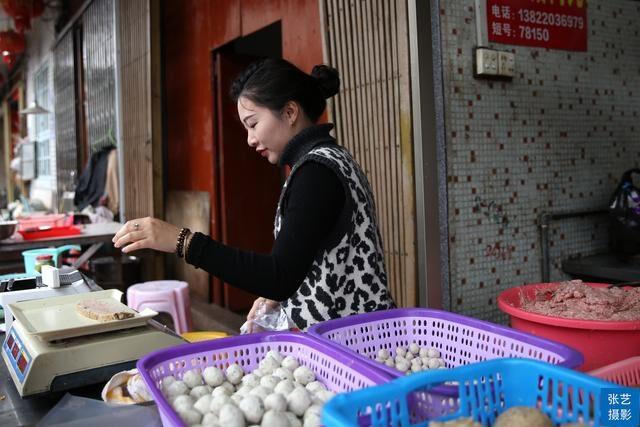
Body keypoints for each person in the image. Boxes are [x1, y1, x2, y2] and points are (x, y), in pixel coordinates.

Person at [112, 58, 395, 330]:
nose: (250, 139)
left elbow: (278, 277)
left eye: (253, 123)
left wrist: (182, 241)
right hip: (355, 334)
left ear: (290, 112)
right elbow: (305, 263)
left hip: (353, 347)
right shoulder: (328, 159)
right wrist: (280, 294)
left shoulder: (316, 173)